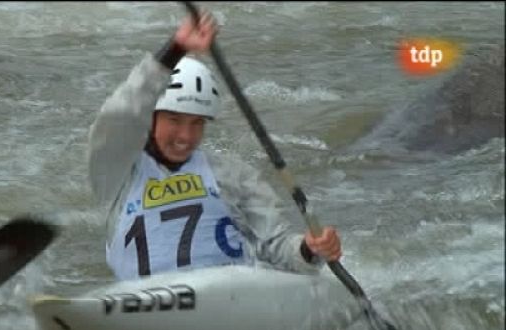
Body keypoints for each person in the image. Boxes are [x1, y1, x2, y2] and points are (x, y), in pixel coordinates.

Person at [88, 10, 342, 281]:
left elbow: (276, 248)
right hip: (145, 308)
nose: (185, 135)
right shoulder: (116, 171)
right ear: (150, 117)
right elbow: (120, 114)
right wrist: (176, 49)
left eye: (197, 123)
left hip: (228, 303)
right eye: (174, 120)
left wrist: (309, 249)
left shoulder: (233, 175)